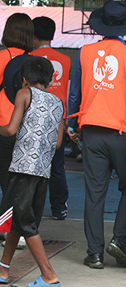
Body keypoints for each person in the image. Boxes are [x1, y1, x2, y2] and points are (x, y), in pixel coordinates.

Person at [67, 0, 126, 269]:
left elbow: (74, 93)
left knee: (95, 193)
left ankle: (95, 253)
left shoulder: (84, 53)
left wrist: (72, 124)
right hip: (123, 134)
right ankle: (120, 240)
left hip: (91, 132)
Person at [0, 56, 64, 287]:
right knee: (17, 219)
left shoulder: (24, 94)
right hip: (42, 172)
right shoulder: (58, 102)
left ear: (24, 79)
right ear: (50, 80)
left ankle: (48, 274)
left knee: (22, 222)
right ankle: (3, 268)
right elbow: (58, 143)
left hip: (22, 168)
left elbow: (11, 129)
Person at [30, 16, 71, 221]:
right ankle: (59, 208)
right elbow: (68, 90)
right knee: (57, 166)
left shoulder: (29, 58)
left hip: (33, 115)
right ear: (53, 35)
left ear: (33, 35)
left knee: (31, 163)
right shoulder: (65, 59)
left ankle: (29, 208)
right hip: (57, 117)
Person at [0, 13, 35, 250]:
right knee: (17, 181)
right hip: (25, 127)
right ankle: (13, 229)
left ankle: (9, 229)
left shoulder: (1, 57)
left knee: (5, 179)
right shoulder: (34, 62)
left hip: (3, 125)